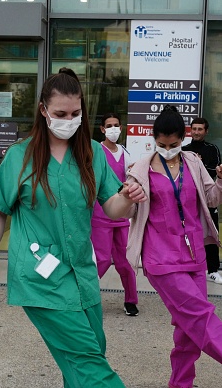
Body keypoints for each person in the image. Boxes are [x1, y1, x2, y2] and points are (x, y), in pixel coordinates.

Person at [0, 68, 146, 387]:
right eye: (60, 113)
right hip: (40, 278)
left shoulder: (92, 154)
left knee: (90, 355)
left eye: (76, 113)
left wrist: (128, 197)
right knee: (90, 366)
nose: (69, 119)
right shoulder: (19, 157)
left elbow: (113, 207)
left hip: (82, 273)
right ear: (43, 111)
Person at [126, 105, 222, 388]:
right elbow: (126, 210)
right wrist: (128, 194)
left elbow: (212, 200)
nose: (168, 149)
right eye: (161, 144)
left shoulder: (193, 162)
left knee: (188, 331)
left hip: (195, 256)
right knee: (201, 317)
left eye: (174, 144)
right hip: (161, 259)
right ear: (153, 139)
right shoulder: (140, 169)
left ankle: (180, 384)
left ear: (184, 138)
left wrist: (220, 179)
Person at [91, 113, 139, 316]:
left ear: (121, 128)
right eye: (108, 126)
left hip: (121, 215)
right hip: (100, 214)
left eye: (116, 125)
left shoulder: (125, 152)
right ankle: (86, 297)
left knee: (125, 261)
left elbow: (131, 177)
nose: (113, 129)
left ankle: (131, 300)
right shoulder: (95, 151)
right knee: (101, 260)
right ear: (102, 129)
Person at [182, 117, 222, 284]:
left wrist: (199, 164)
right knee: (188, 235)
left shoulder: (212, 149)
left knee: (211, 234)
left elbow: (216, 171)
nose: (196, 132)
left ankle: (212, 270)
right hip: (189, 200)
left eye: (200, 129)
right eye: (194, 129)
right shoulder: (184, 150)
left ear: (206, 131)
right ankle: (190, 267)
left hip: (208, 198)